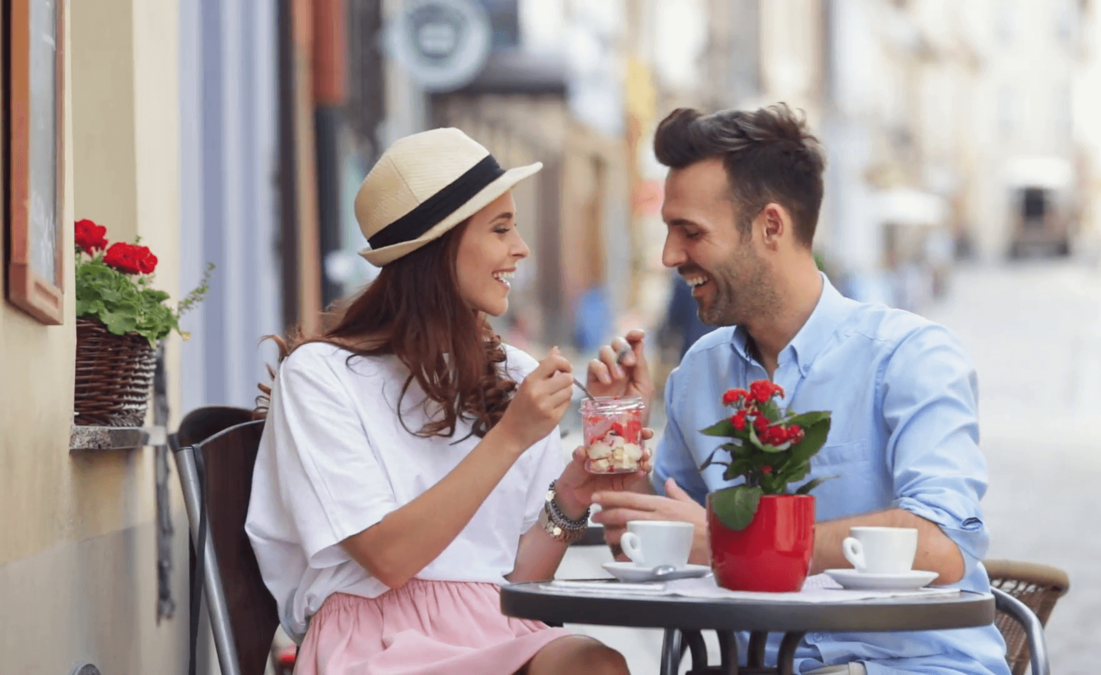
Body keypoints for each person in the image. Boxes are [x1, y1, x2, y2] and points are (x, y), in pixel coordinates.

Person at [586, 105, 1010, 675]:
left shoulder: (910, 356)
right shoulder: (698, 374)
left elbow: (941, 546)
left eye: (690, 232)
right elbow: (652, 546)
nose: (669, 256)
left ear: (770, 227)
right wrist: (624, 430)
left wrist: (726, 541)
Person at [246, 128, 649, 675]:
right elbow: (390, 560)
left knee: (596, 665)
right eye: (501, 228)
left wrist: (575, 492)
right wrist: (511, 434)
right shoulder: (321, 377)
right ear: (437, 249)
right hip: (374, 637)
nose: (521, 248)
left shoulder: (516, 374)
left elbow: (517, 578)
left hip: (497, 624)